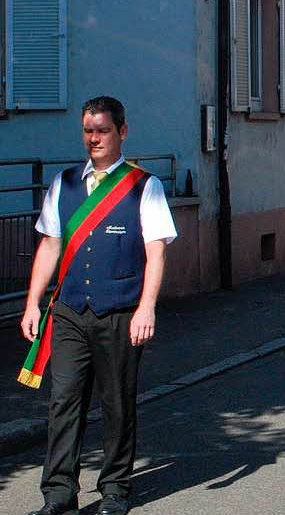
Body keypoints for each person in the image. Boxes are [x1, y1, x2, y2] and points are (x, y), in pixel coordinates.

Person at [21, 96, 177, 515]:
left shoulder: (144, 185)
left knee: (117, 403)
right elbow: (51, 244)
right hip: (70, 312)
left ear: (121, 132)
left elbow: (156, 252)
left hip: (122, 313)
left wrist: (148, 308)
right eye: (88, 131)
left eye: (102, 131)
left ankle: (114, 490)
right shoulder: (65, 183)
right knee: (63, 401)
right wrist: (33, 303)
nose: (94, 139)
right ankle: (58, 494)